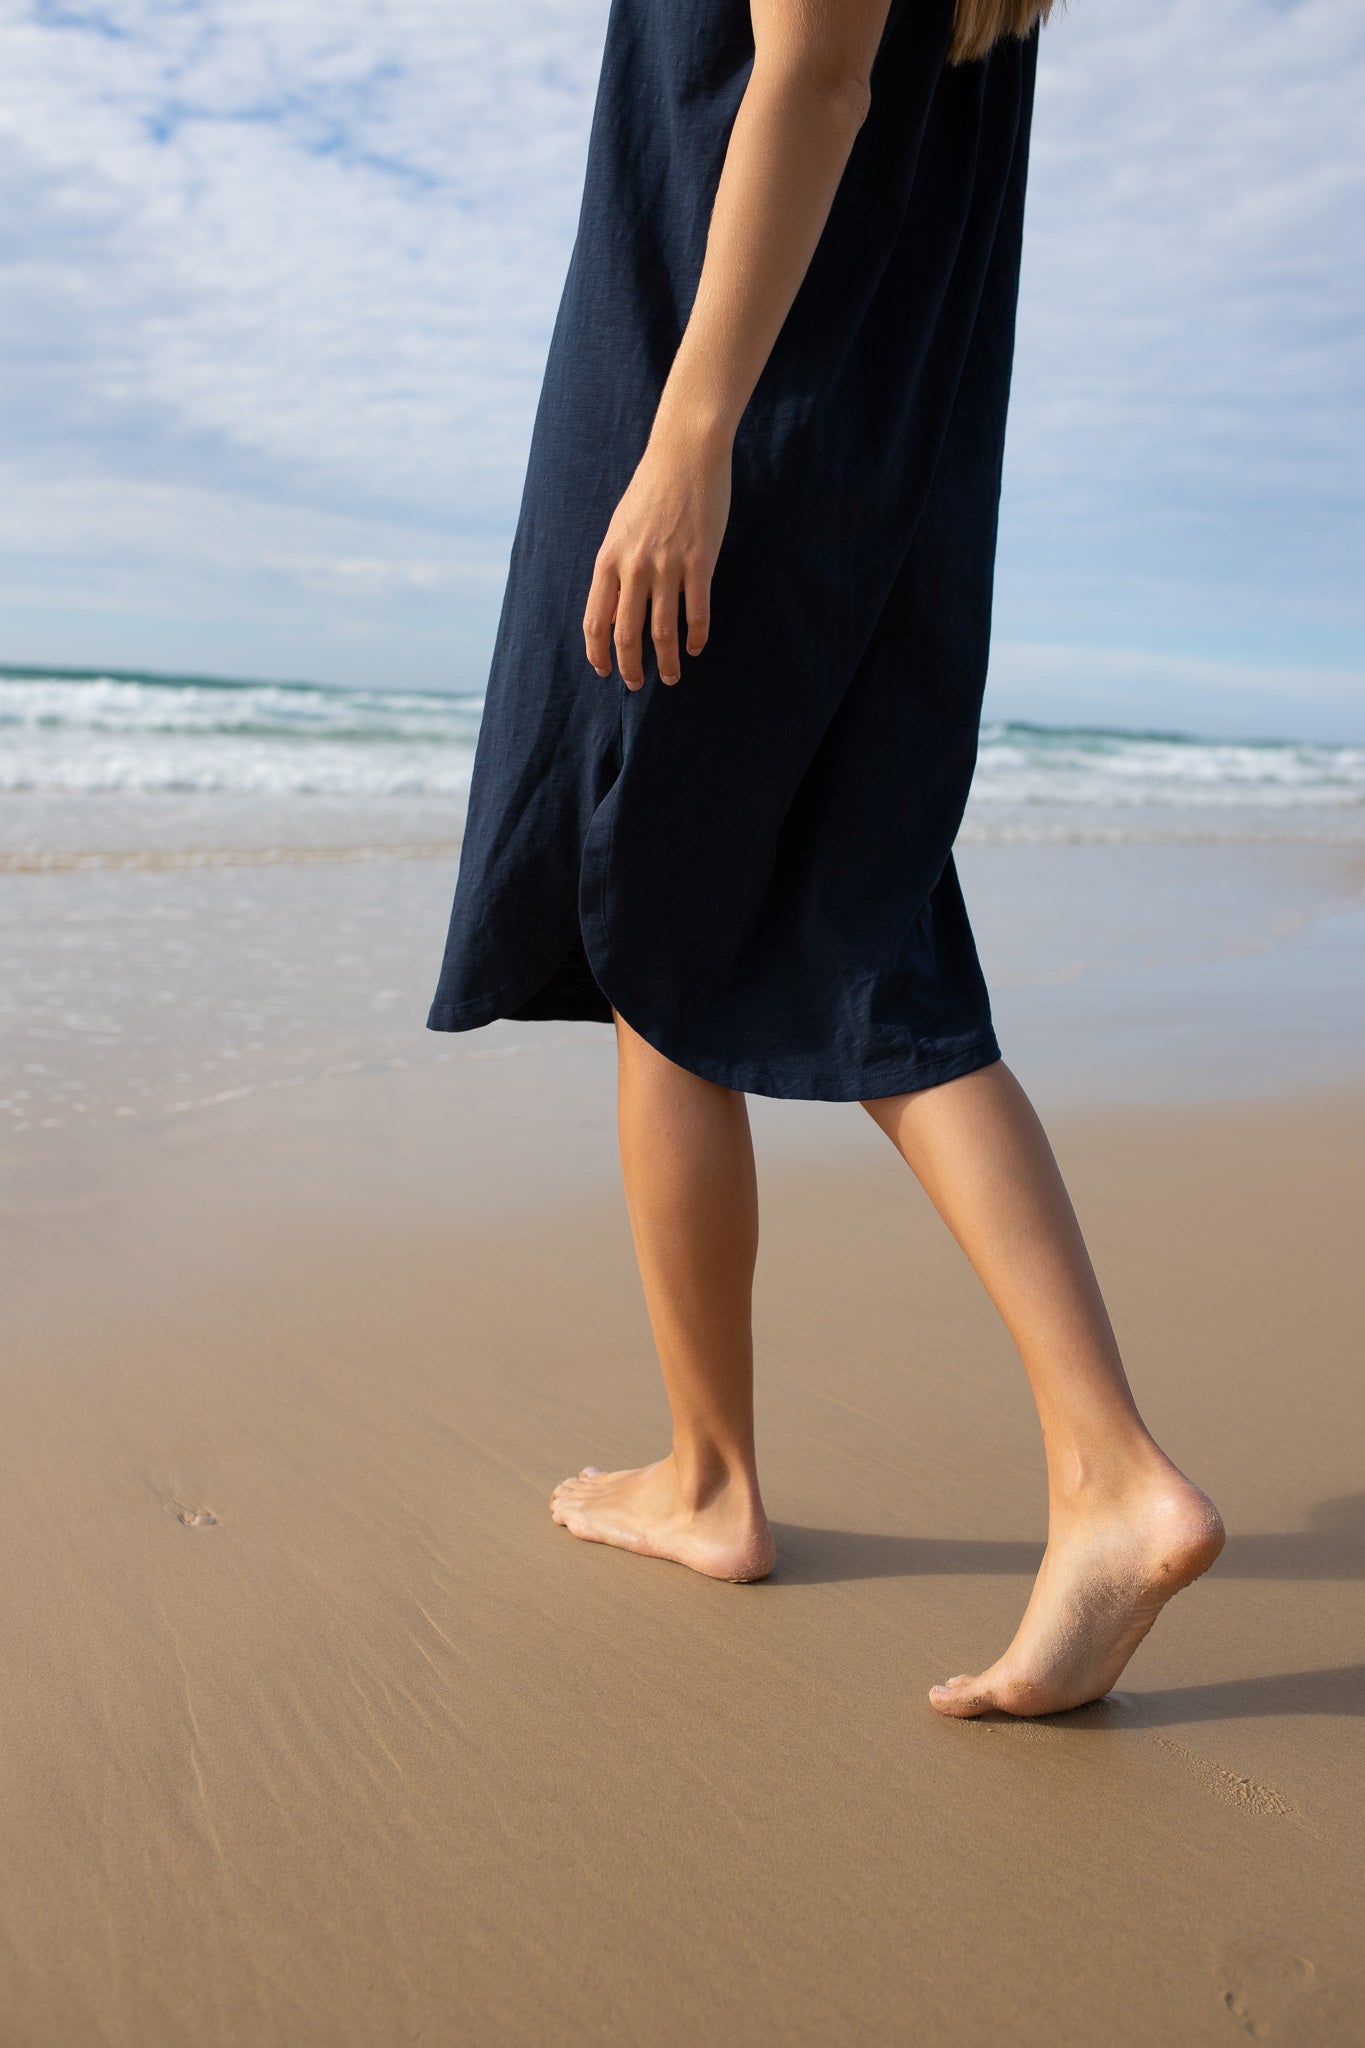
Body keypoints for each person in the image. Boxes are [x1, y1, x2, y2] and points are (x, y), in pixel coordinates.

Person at [427, 0, 1225, 1717]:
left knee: (737, 922)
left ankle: (1065, 1468)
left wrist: (690, 436)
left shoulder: (703, 427)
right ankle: (760, 1473)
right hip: (864, 450)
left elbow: (812, 73)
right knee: (778, 924)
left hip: (726, 428)